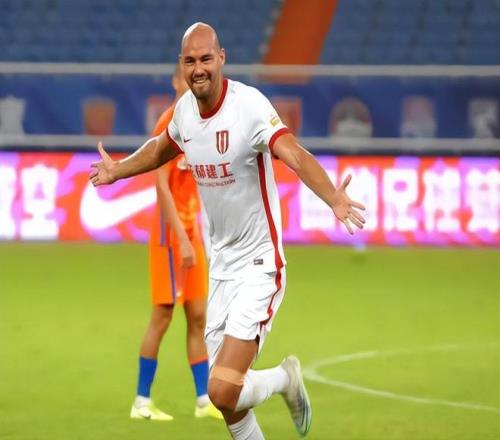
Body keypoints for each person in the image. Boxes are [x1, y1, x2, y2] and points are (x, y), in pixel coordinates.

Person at [91, 22, 365, 439]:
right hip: (220, 265)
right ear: (181, 65)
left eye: (206, 58)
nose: (198, 68)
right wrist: (118, 170)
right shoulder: (184, 112)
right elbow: (162, 147)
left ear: (221, 58)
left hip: (259, 263)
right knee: (227, 402)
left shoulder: (248, 107)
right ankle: (283, 379)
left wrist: (332, 197)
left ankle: (284, 380)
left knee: (221, 387)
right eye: (190, 61)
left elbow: (292, 153)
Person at [131, 66, 222, 421]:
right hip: (170, 237)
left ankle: (203, 400)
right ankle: (141, 401)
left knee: (198, 315)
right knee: (163, 316)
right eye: (185, 77)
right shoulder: (168, 124)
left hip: (191, 233)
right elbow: (161, 185)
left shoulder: (200, 124)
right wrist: (181, 239)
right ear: (175, 81)